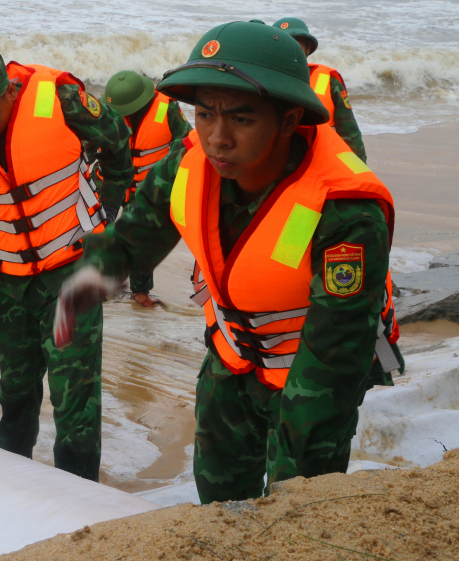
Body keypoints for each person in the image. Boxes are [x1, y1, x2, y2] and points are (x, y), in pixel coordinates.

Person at [55, 21, 404, 502]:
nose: (217, 138)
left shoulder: (344, 210)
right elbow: (136, 232)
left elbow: (335, 355)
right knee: (218, 496)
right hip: (233, 355)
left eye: (241, 119)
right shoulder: (190, 161)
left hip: (313, 372)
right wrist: (89, 278)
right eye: (204, 114)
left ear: (288, 120)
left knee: (297, 502)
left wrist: (301, 449)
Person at [0, 52, 133, 479]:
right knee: (16, 392)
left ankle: (80, 500)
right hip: (10, 286)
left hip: (73, 272)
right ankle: (13, 485)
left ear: (10, 90)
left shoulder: (61, 100)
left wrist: (111, 209)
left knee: (74, 399)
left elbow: (118, 138)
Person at [104, 70, 193, 307]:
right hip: (112, 181)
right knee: (100, 231)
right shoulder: (108, 111)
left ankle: (140, 291)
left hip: (148, 185)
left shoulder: (168, 109)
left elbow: (187, 143)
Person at [274, 17, 367, 161]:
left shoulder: (330, 80)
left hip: (318, 159)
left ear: (308, 48)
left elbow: (349, 132)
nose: (290, 49)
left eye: (296, 44)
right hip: (274, 162)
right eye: (283, 43)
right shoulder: (258, 80)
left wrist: (360, 170)